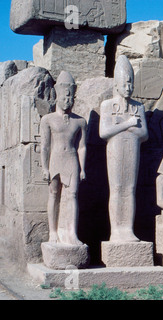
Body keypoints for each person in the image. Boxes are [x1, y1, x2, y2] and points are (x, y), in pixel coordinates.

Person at [99, 55, 149, 242]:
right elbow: (104, 133)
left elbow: (144, 134)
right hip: (115, 150)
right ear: (117, 85)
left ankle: (127, 229)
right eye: (125, 84)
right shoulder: (107, 105)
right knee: (117, 188)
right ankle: (116, 230)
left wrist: (124, 125)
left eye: (131, 84)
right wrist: (128, 124)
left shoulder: (138, 107)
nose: (128, 87)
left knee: (130, 188)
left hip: (132, 149)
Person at [40, 71, 87, 246]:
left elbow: (82, 146)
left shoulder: (80, 121)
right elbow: (45, 145)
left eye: (71, 97)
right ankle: (53, 232)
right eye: (65, 97)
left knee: (73, 195)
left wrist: (83, 168)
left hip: (72, 159)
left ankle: (71, 232)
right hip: (56, 159)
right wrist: (45, 167)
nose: (68, 100)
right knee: (53, 194)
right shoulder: (48, 119)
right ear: (58, 96)